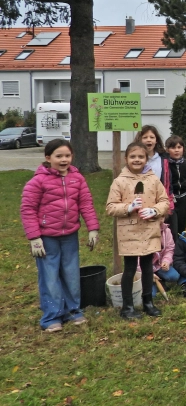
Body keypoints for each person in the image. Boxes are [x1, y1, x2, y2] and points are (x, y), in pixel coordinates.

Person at [21, 139, 99, 332]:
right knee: (50, 276)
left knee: (71, 275)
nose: (64, 160)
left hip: (70, 236)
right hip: (46, 238)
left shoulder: (77, 179)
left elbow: (86, 204)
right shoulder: (38, 181)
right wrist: (34, 238)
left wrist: (93, 228)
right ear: (48, 158)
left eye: (67, 155)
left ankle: (73, 310)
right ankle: (51, 316)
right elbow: (28, 209)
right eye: (59, 156)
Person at [106, 142, 170, 319]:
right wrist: (128, 207)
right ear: (126, 159)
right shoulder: (119, 181)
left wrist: (155, 210)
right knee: (130, 268)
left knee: (148, 267)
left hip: (149, 229)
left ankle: (148, 301)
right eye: (133, 157)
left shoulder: (153, 180)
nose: (137, 160)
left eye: (140, 157)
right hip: (129, 233)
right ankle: (127, 306)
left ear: (146, 158)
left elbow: (164, 201)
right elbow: (110, 207)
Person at [134, 125, 174, 215]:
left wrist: (169, 201)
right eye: (145, 137)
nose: (149, 140)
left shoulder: (163, 159)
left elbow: (168, 182)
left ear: (156, 141)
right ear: (139, 140)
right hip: (142, 199)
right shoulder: (135, 160)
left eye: (152, 137)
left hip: (160, 199)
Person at [165, 135, 186, 239]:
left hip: (183, 198)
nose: (176, 150)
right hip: (170, 199)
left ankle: (180, 249)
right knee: (171, 226)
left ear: (183, 148)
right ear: (167, 150)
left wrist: (185, 185)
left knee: (182, 225)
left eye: (179, 147)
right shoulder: (166, 165)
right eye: (173, 148)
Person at [148, 222, 179, 298]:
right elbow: (137, 259)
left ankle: (160, 280)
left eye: (161, 217)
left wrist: (166, 261)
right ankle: (152, 282)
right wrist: (148, 273)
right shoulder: (142, 232)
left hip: (159, 265)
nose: (159, 220)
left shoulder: (167, 231)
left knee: (174, 276)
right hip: (144, 269)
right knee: (151, 295)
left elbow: (169, 249)